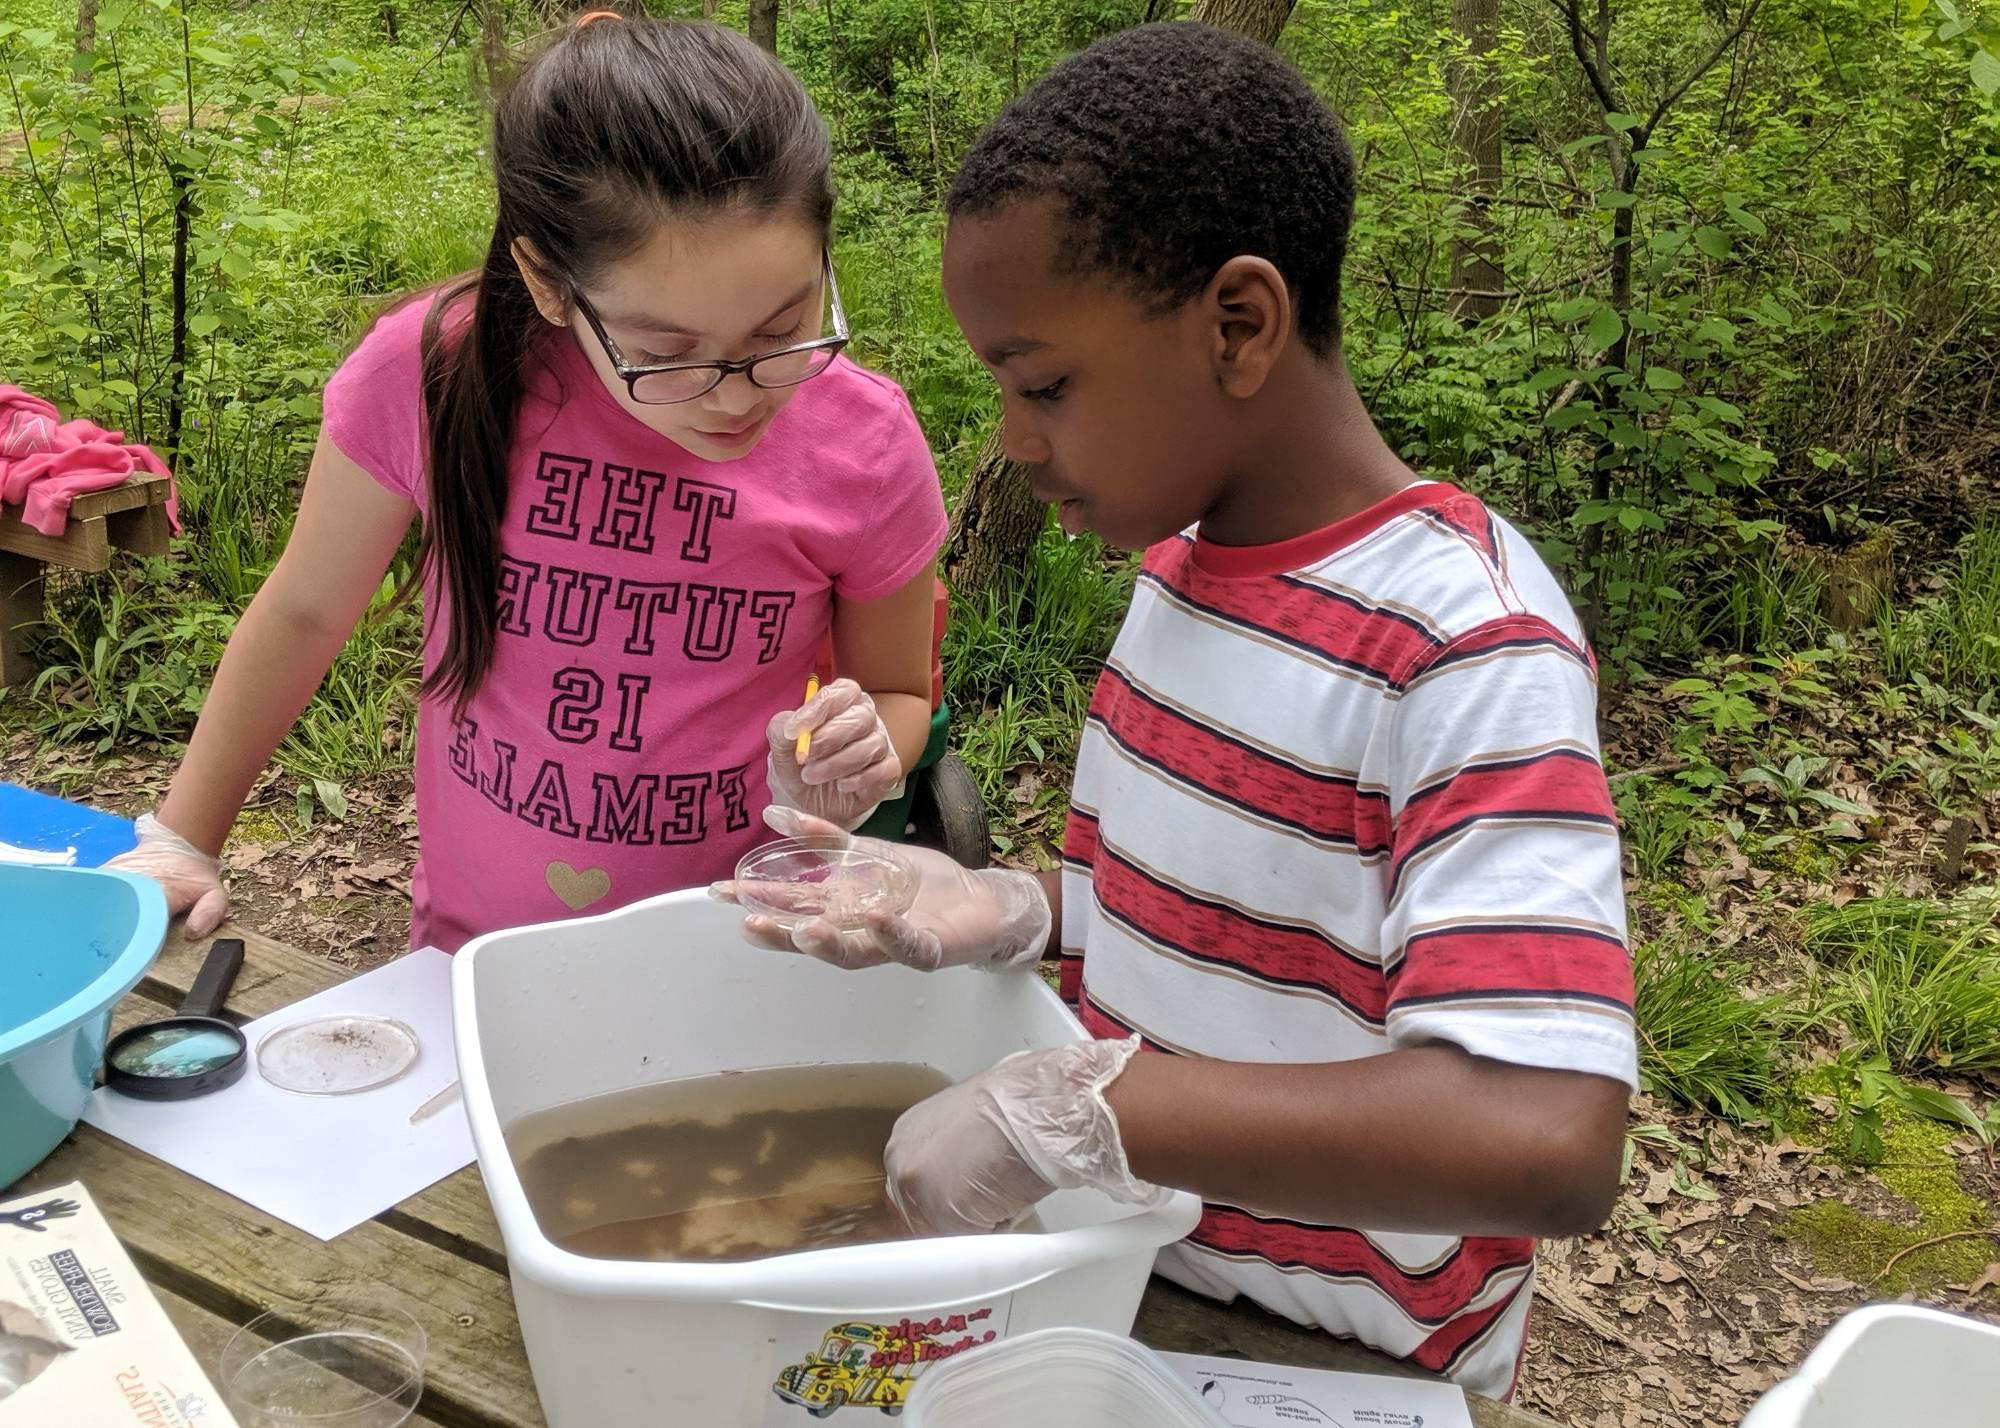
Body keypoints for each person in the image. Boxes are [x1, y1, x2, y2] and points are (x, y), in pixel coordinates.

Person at [720, 23, 1636, 1398]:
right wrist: (1027, 909)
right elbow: (1214, 909)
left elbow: (1544, 1130)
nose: (1017, 444)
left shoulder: (1464, 645)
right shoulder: (1178, 579)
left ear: (1239, 325)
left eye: (1045, 386)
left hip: (1333, 1365)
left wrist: (1078, 1108)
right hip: (1133, 1284)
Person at [110, 15, 946, 952]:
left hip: (741, 949)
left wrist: (863, 754)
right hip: (476, 956)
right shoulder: (434, 372)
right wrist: (185, 835)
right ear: (550, 283)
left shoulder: (866, 441)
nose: (736, 393)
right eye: (665, 353)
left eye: (781, 329)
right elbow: (306, 608)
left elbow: (897, 693)